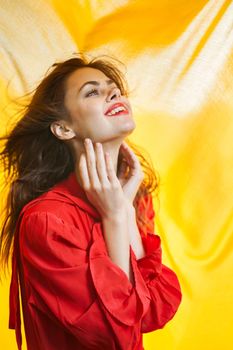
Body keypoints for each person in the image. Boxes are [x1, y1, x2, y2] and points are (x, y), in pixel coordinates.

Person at [0, 54, 182, 350]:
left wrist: (122, 209)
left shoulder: (134, 203)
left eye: (114, 88)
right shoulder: (47, 221)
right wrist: (113, 218)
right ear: (63, 128)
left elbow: (153, 312)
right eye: (92, 91)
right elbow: (114, 336)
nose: (113, 93)